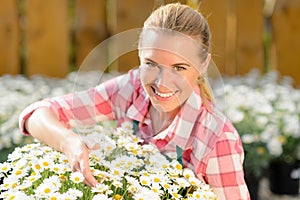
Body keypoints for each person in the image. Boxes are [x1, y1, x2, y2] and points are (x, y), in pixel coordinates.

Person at [19, 3, 250, 199]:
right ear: (139, 56)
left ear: (202, 65)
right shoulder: (131, 90)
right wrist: (69, 143)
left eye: (179, 68)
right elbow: (37, 114)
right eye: (151, 64)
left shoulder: (217, 139)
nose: (162, 82)